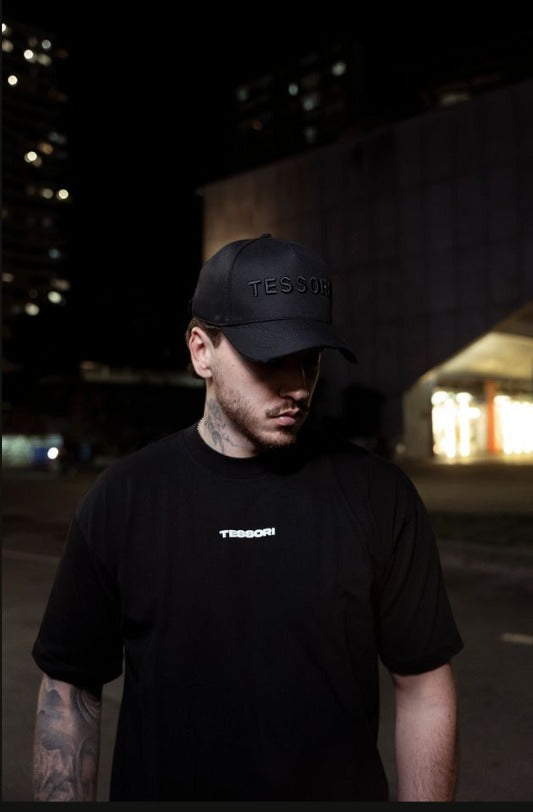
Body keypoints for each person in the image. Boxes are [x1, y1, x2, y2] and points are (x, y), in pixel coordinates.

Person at [32, 233, 463, 802]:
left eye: (310, 358)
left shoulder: (379, 495)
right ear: (201, 351)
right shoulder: (124, 497)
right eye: (269, 357)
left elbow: (424, 687)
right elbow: (68, 690)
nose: (297, 385)